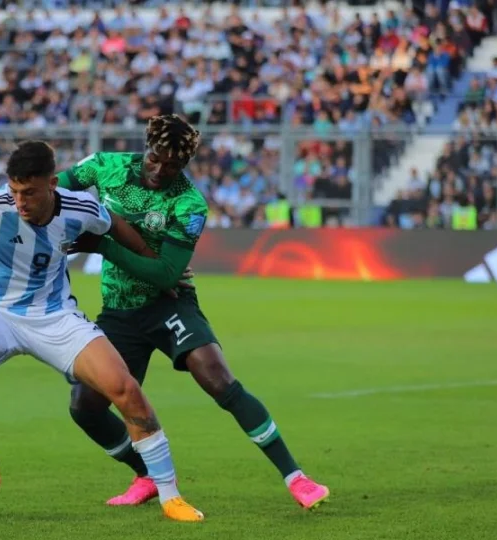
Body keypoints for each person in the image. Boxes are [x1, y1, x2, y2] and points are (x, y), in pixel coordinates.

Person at [0, 141, 205, 522]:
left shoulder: (81, 208)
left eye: (29, 192)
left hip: (56, 316)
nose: (20, 201)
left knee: (125, 388)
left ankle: (171, 496)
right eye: (14, 191)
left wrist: (155, 264)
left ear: (52, 183)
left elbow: (115, 226)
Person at [60, 114, 330, 509]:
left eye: (172, 165)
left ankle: (297, 478)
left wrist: (102, 245)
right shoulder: (105, 166)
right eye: (155, 158)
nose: (160, 169)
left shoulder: (189, 203)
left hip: (168, 304)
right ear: (146, 147)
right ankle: (146, 475)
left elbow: (166, 275)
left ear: (185, 164)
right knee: (84, 406)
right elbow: (50, 188)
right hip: (119, 311)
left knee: (217, 376)